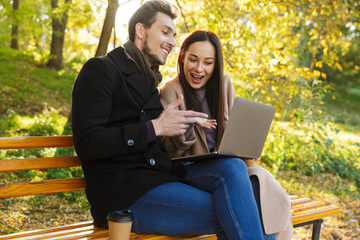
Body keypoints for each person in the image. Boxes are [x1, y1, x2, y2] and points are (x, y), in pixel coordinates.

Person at [72, 0, 265, 239]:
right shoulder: (100, 70)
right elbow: (88, 143)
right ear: (140, 30)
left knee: (233, 167)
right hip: (122, 194)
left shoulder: (150, 81)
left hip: (158, 179)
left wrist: (184, 126)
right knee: (238, 210)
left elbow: (160, 149)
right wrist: (154, 127)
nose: (172, 42)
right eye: (165, 32)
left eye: (174, 35)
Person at [159, 30, 293, 239]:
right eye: (193, 60)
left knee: (260, 183)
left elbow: (235, 128)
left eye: (208, 62)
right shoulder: (170, 90)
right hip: (186, 169)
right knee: (233, 168)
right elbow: (169, 148)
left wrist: (248, 146)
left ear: (216, 64)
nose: (199, 69)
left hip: (225, 165)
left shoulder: (224, 84)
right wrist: (190, 123)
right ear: (183, 56)